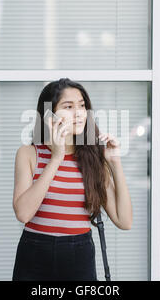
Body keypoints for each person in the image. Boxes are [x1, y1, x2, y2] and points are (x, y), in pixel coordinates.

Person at [12, 78, 133, 281]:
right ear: (49, 115)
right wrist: (56, 158)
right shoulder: (28, 154)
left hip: (79, 253)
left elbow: (125, 221)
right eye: (68, 107)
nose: (78, 113)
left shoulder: (93, 160)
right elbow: (23, 213)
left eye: (82, 106)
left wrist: (115, 163)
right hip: (34, 252)